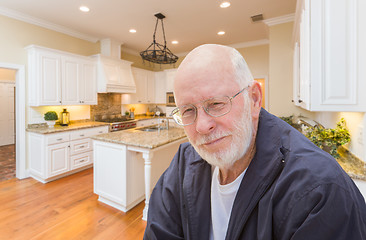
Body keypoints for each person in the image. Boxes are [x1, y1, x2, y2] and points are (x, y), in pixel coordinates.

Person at [143, 44, 366, 239]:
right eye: (187, 110)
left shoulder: (320, 190)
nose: (202, 126)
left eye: (217, 104)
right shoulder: (184, 163)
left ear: (254, 99)